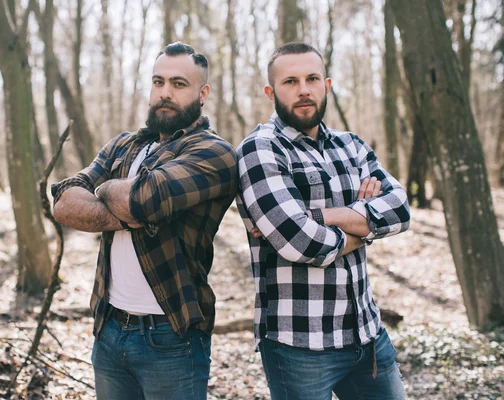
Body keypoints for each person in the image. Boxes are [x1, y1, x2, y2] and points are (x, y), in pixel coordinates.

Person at [52, 42, 238, 400]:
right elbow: (64, 202)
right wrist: (128, 211)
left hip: (171, 336)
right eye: (158, 81)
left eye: (179, 84)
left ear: (203, 93)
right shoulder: (124, 145)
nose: (165, 93)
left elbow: (146, 200)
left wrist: (105, 191)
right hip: (108, 330)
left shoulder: (213, 153)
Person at [236, 42, 410, 400]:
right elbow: (302, 242)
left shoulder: (352, 145)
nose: (303, 90)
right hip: (299, 346)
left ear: (326, 84)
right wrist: (364, 226)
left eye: (312, 78)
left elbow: (400, 209)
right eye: (290, 81)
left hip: (367, 335)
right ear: (271, 91)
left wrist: (318, 216)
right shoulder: (260, 150)